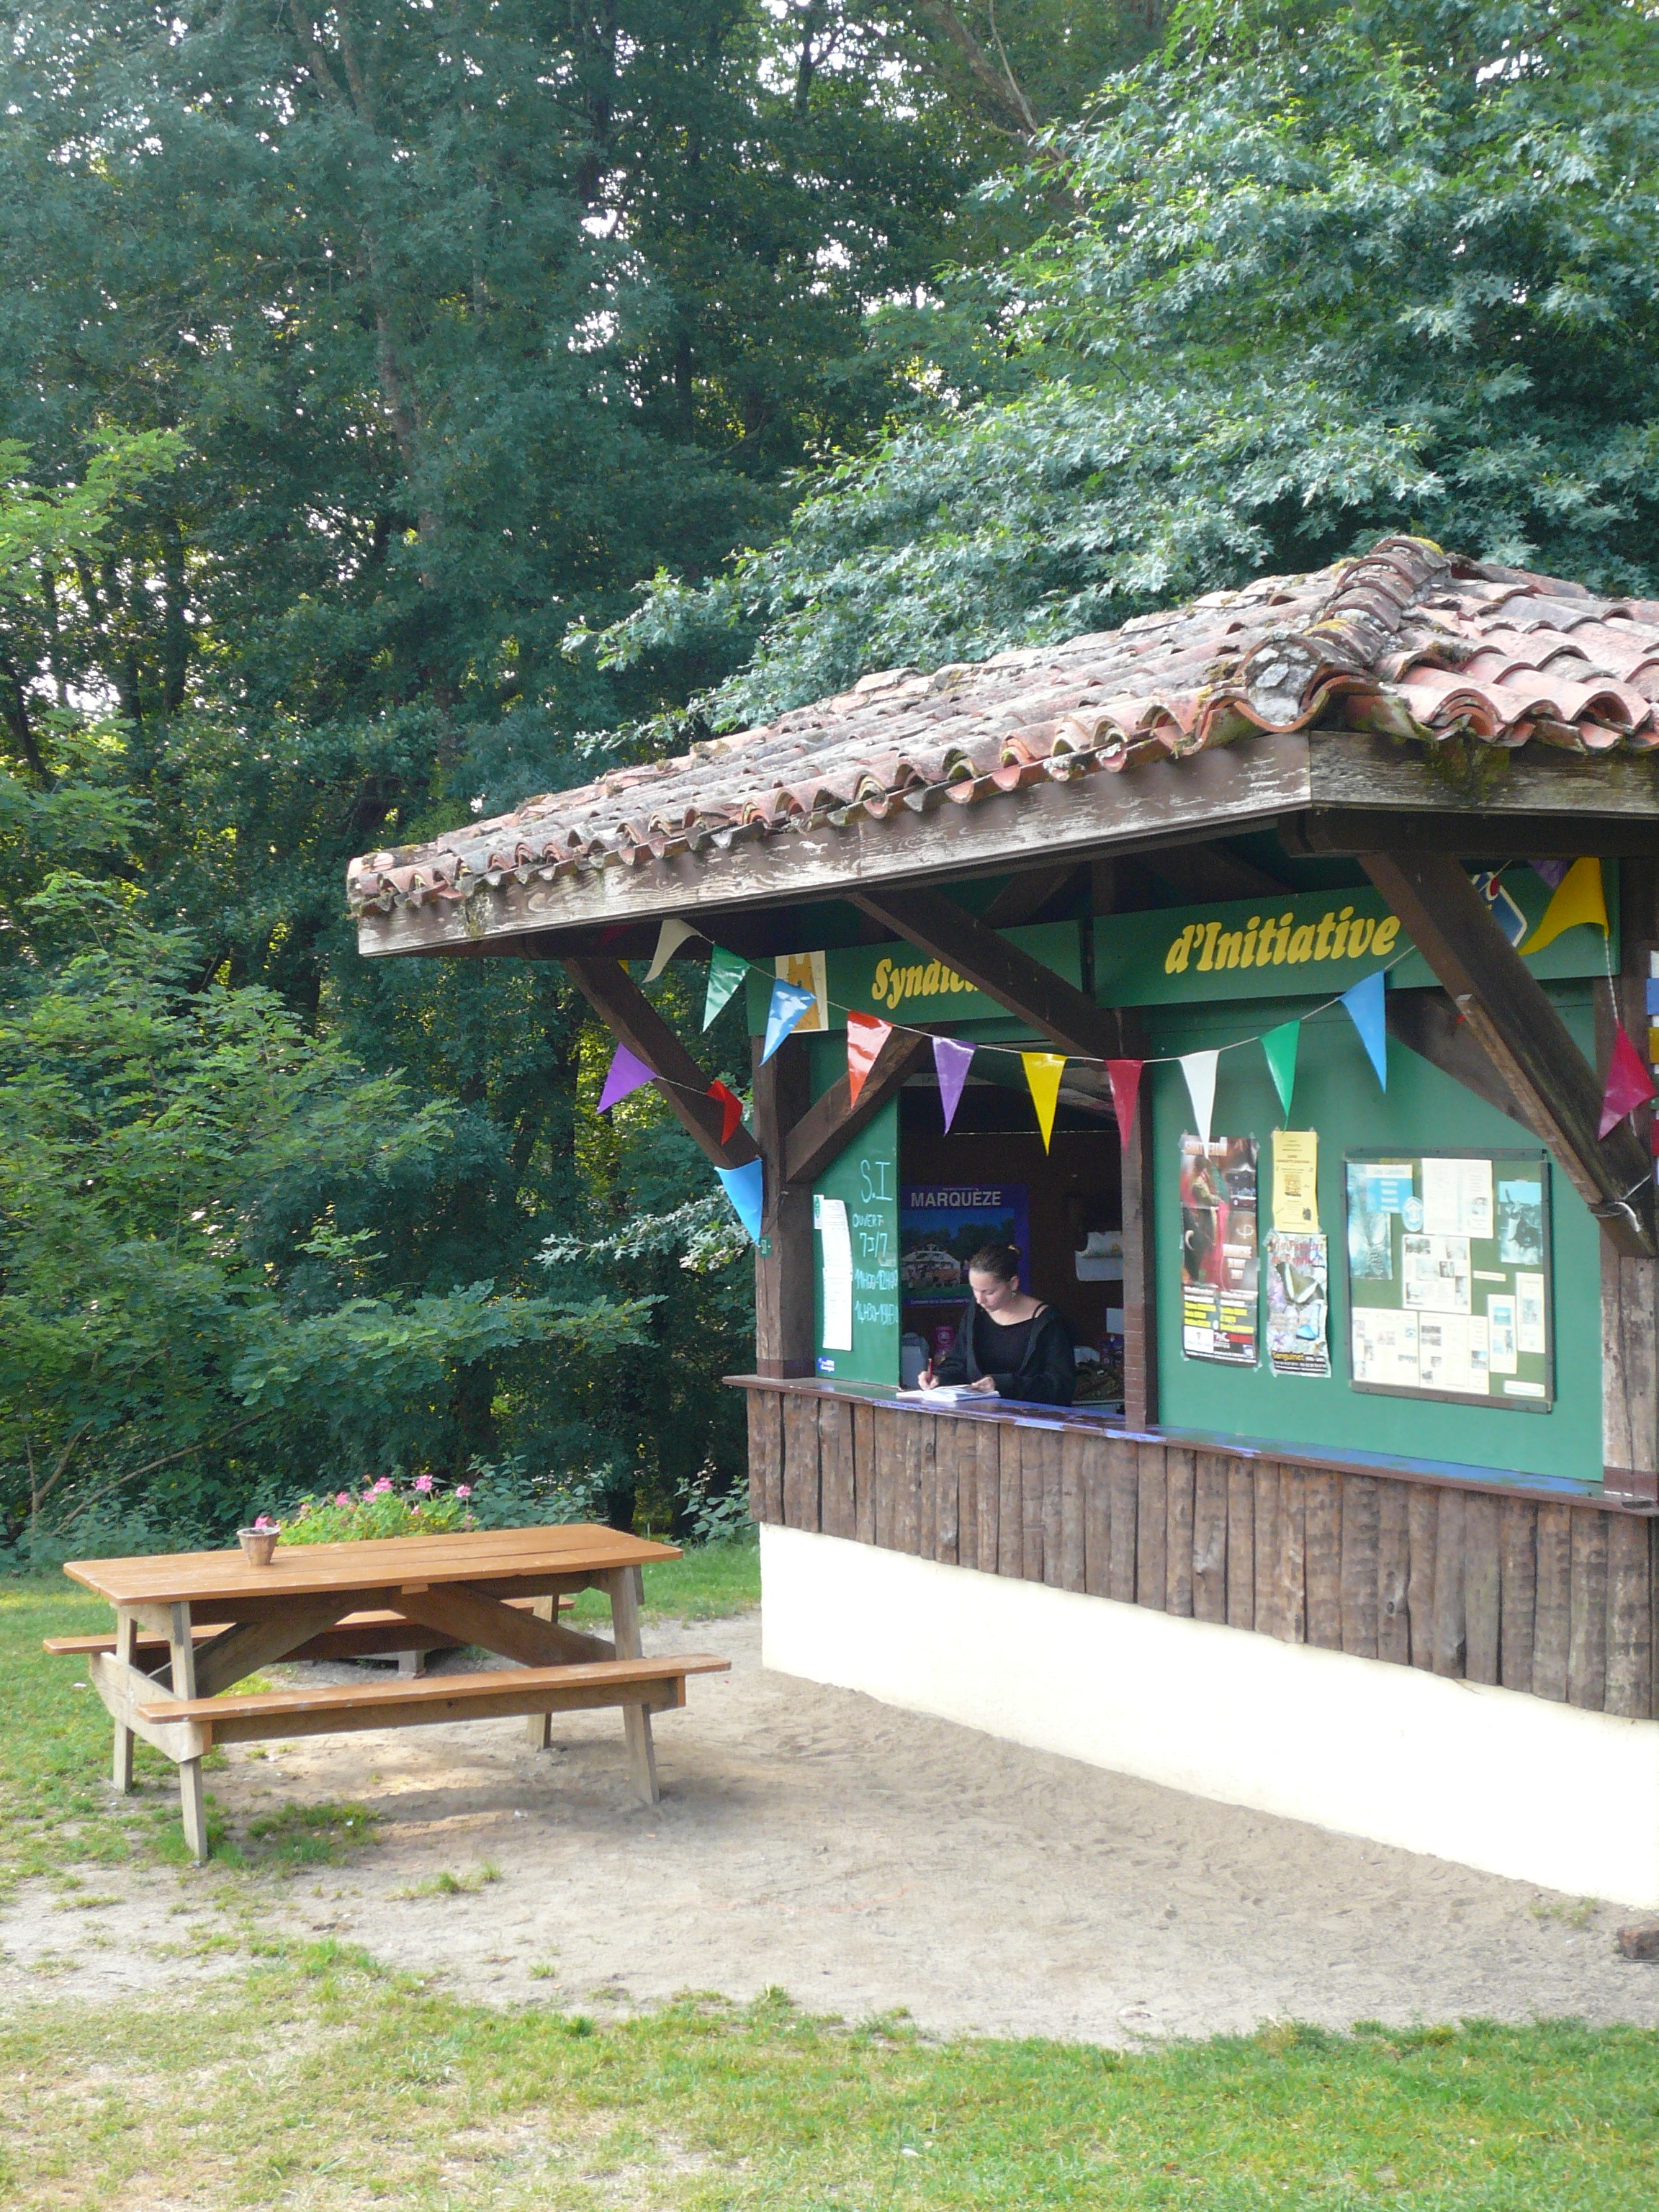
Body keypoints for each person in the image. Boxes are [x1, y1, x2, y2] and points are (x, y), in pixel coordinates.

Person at [920, 1242, 1076, 1405]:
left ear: (1013, 1284)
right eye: (974, 1290)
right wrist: (939, 1378)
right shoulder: (976, 1312)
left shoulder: (1048, 1322)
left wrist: (1002, 1385)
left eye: (989, 1292)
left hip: (1032, 1421)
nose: (980, 1300)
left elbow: (1061, 1387)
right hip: (979, 1418)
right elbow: (959, 1363)